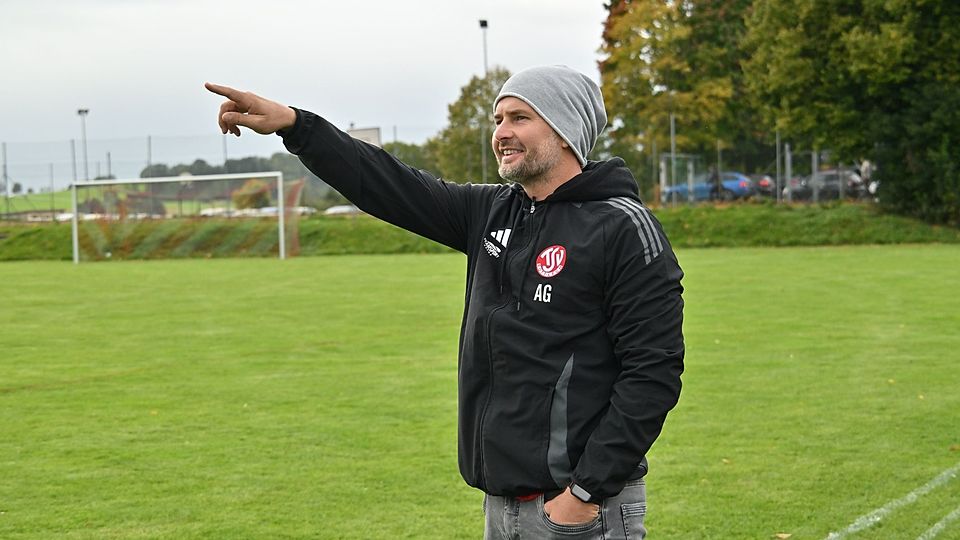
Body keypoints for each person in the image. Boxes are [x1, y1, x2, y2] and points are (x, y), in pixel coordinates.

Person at [206, 65, 684, 540]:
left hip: (580, 510)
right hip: (502, 506)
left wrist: (584, 494)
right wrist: (295, 125)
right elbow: (387, 183)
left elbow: (653, 371)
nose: (502, 133)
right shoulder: (492, 210)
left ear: (564, 131)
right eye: (497, 120)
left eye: (519, 118)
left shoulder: (621, 226)